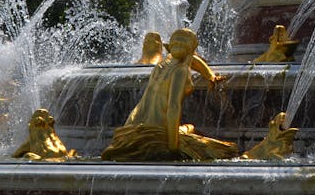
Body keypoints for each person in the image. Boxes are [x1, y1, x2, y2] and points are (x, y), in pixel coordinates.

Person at [101, 28, 237, 162]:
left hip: (132, 125)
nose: (179, 46)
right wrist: (173, 147)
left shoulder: (160, 65)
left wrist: (210, 76)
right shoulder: (180, 70)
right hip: (157, 129)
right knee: (195, 132)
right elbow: (173, 106)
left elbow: (192, 60)